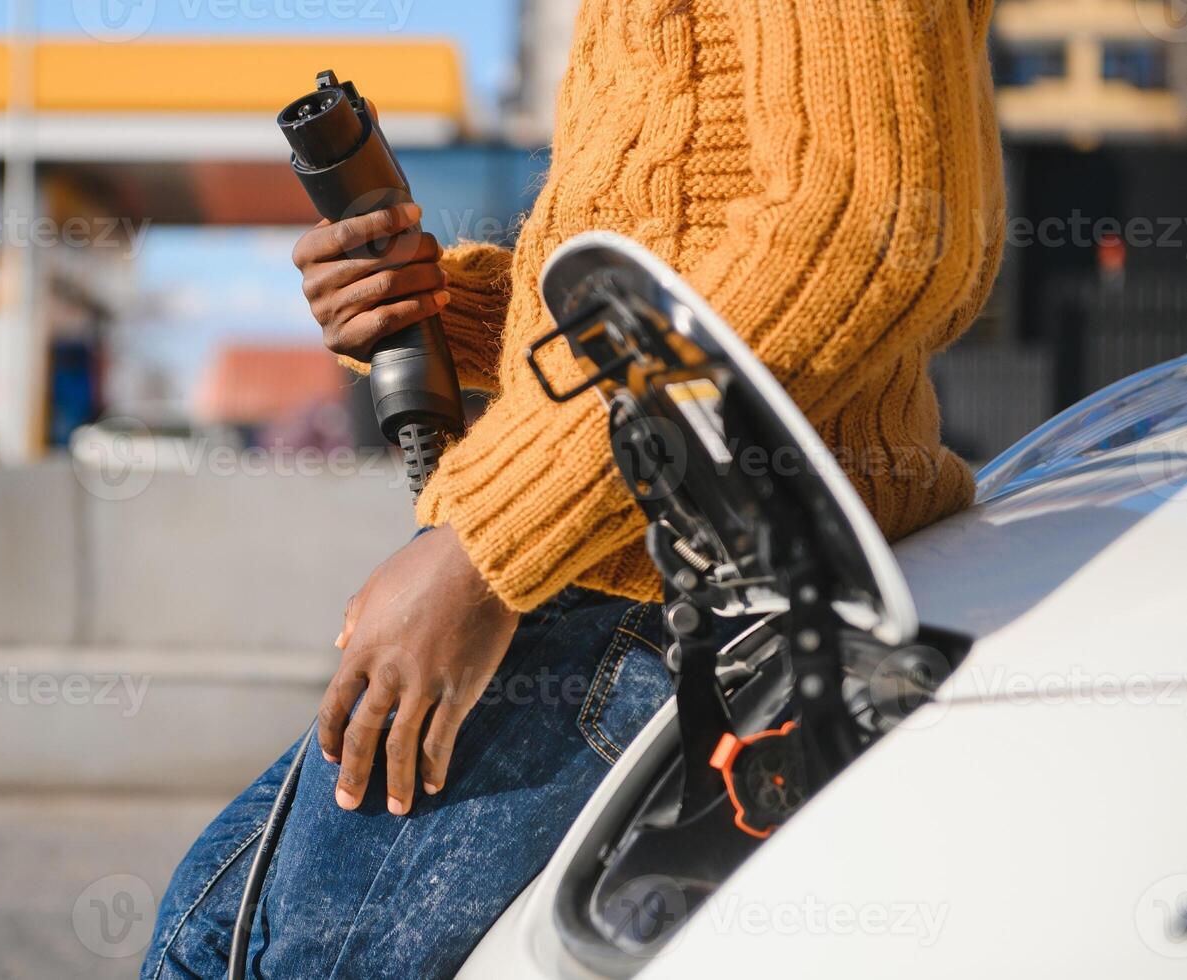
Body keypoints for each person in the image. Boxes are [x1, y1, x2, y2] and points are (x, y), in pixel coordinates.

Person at [144, 1, 1005, 976]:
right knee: (209, 935)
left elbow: (872, 221)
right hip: (616, 575)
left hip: (678, 593)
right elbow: (688, 259)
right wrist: (443, 305)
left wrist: (485, 545)